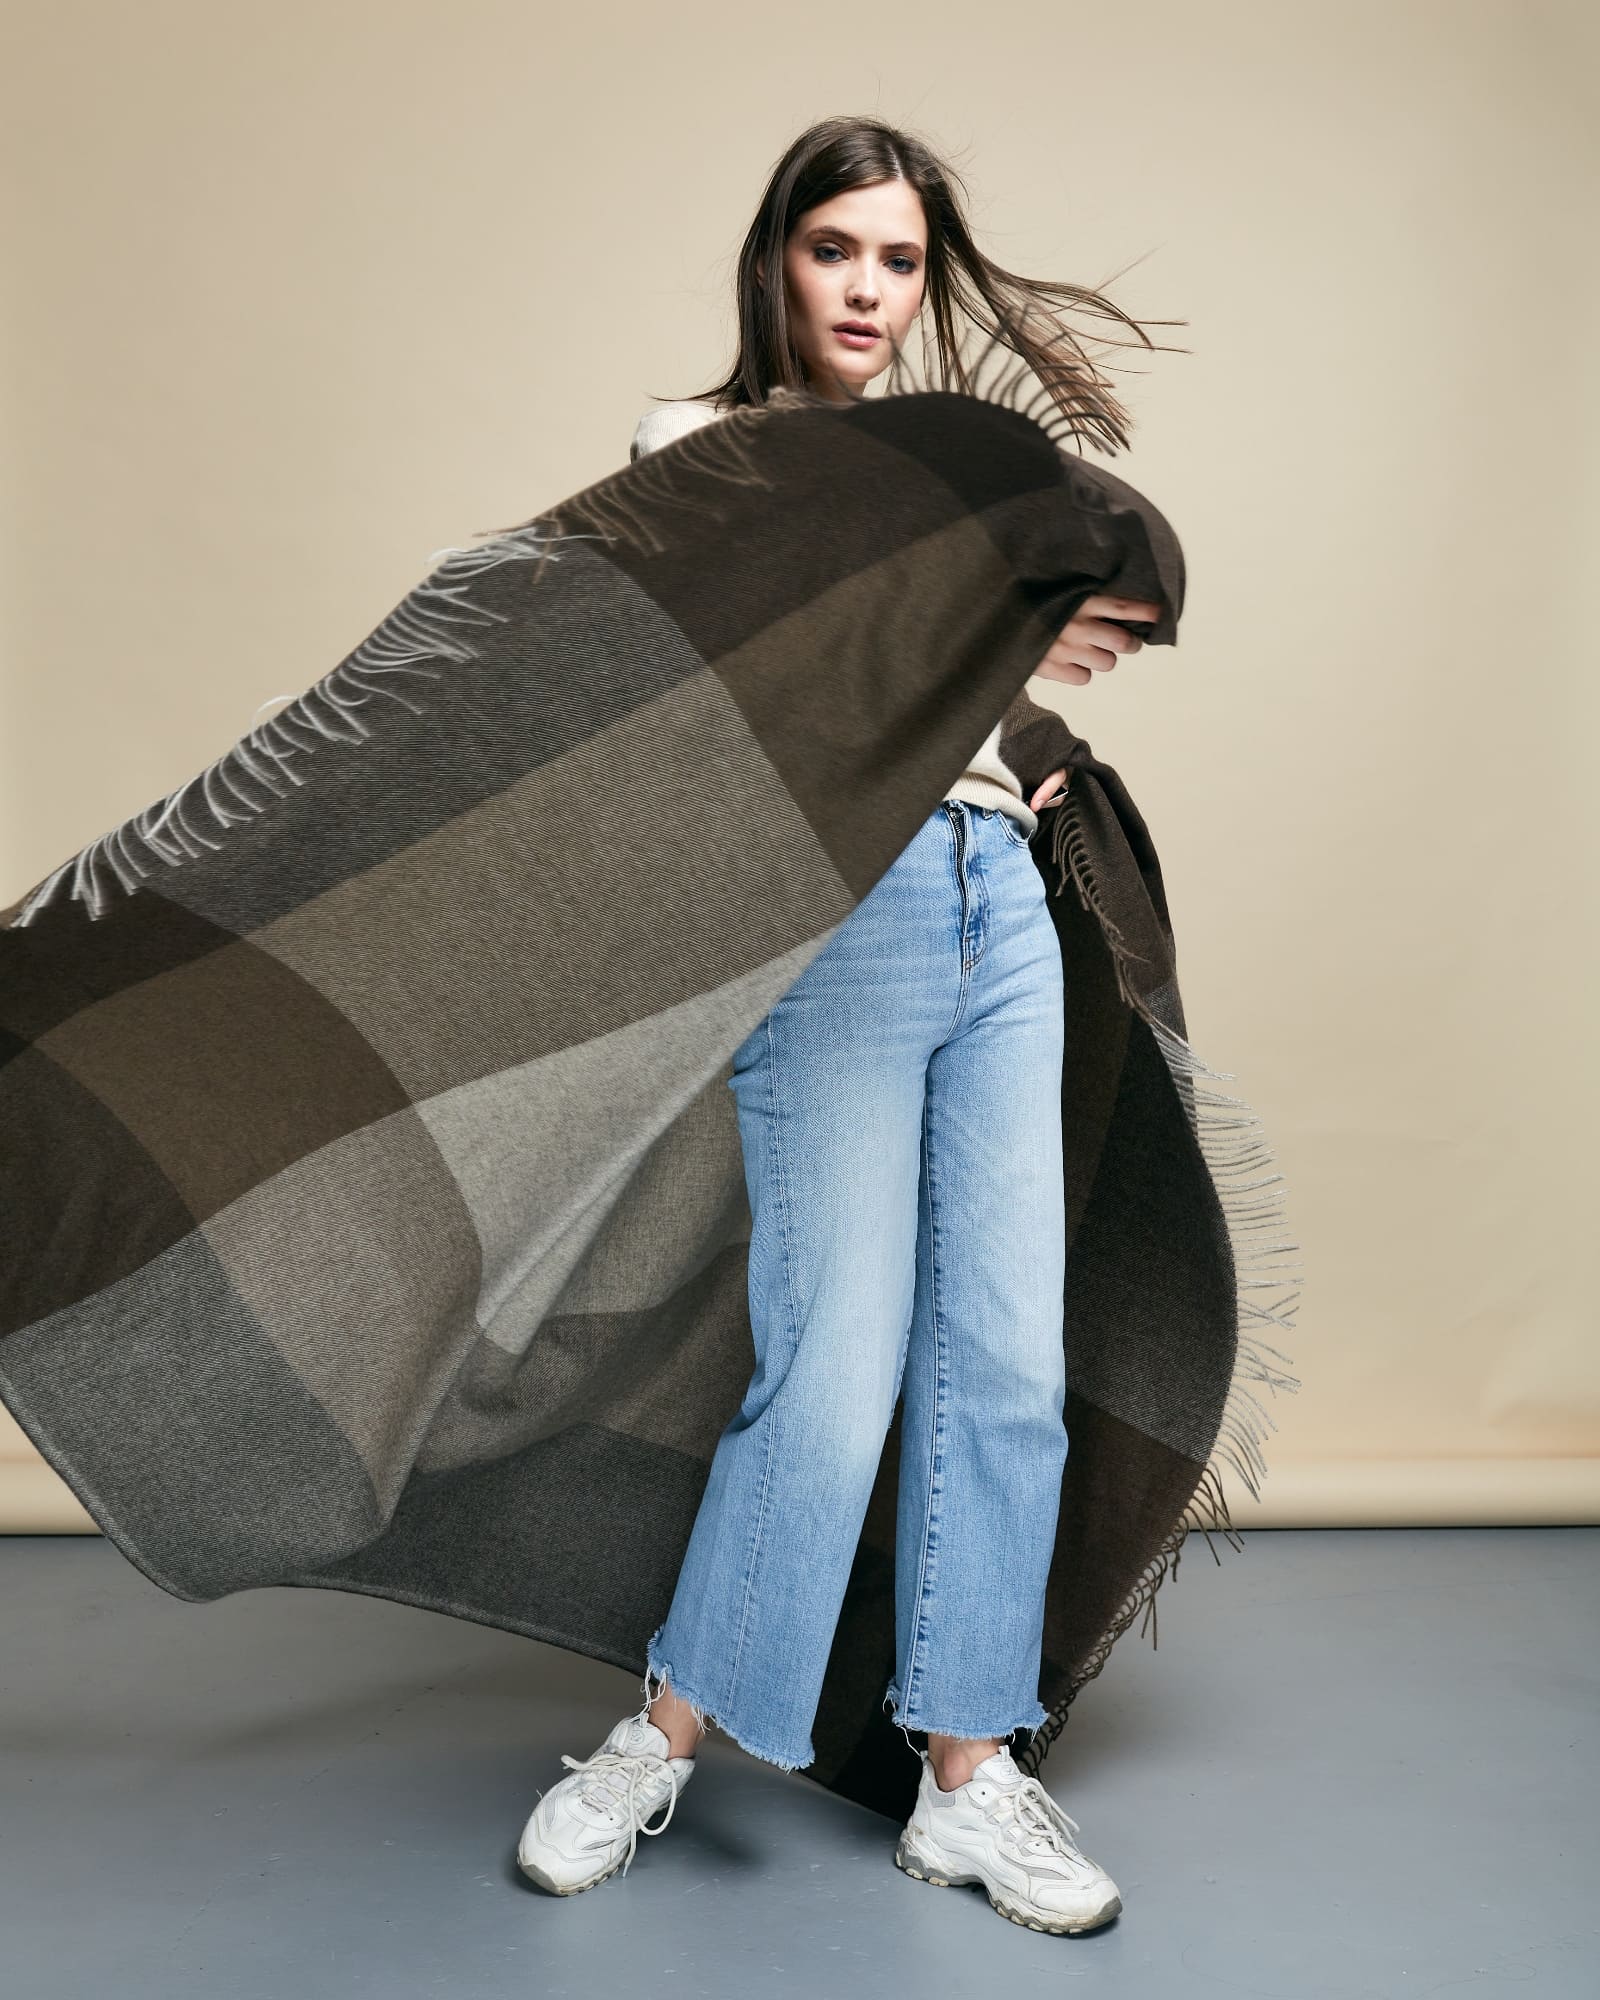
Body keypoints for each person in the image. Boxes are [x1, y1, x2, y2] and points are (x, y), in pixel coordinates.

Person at [517, 114, 1168, 1936]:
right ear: (776, 261)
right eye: (835, 250)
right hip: (845, 923)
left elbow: (977, 680)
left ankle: (967, 1775)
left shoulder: (956, 469)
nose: (868, 289)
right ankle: (658, 1736)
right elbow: (785, 675)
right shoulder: (701, 447)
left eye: (898, 259)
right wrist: (987, 628)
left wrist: (1033, 740)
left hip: (996, 903)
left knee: (1009, 1357)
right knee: (833, 1363)